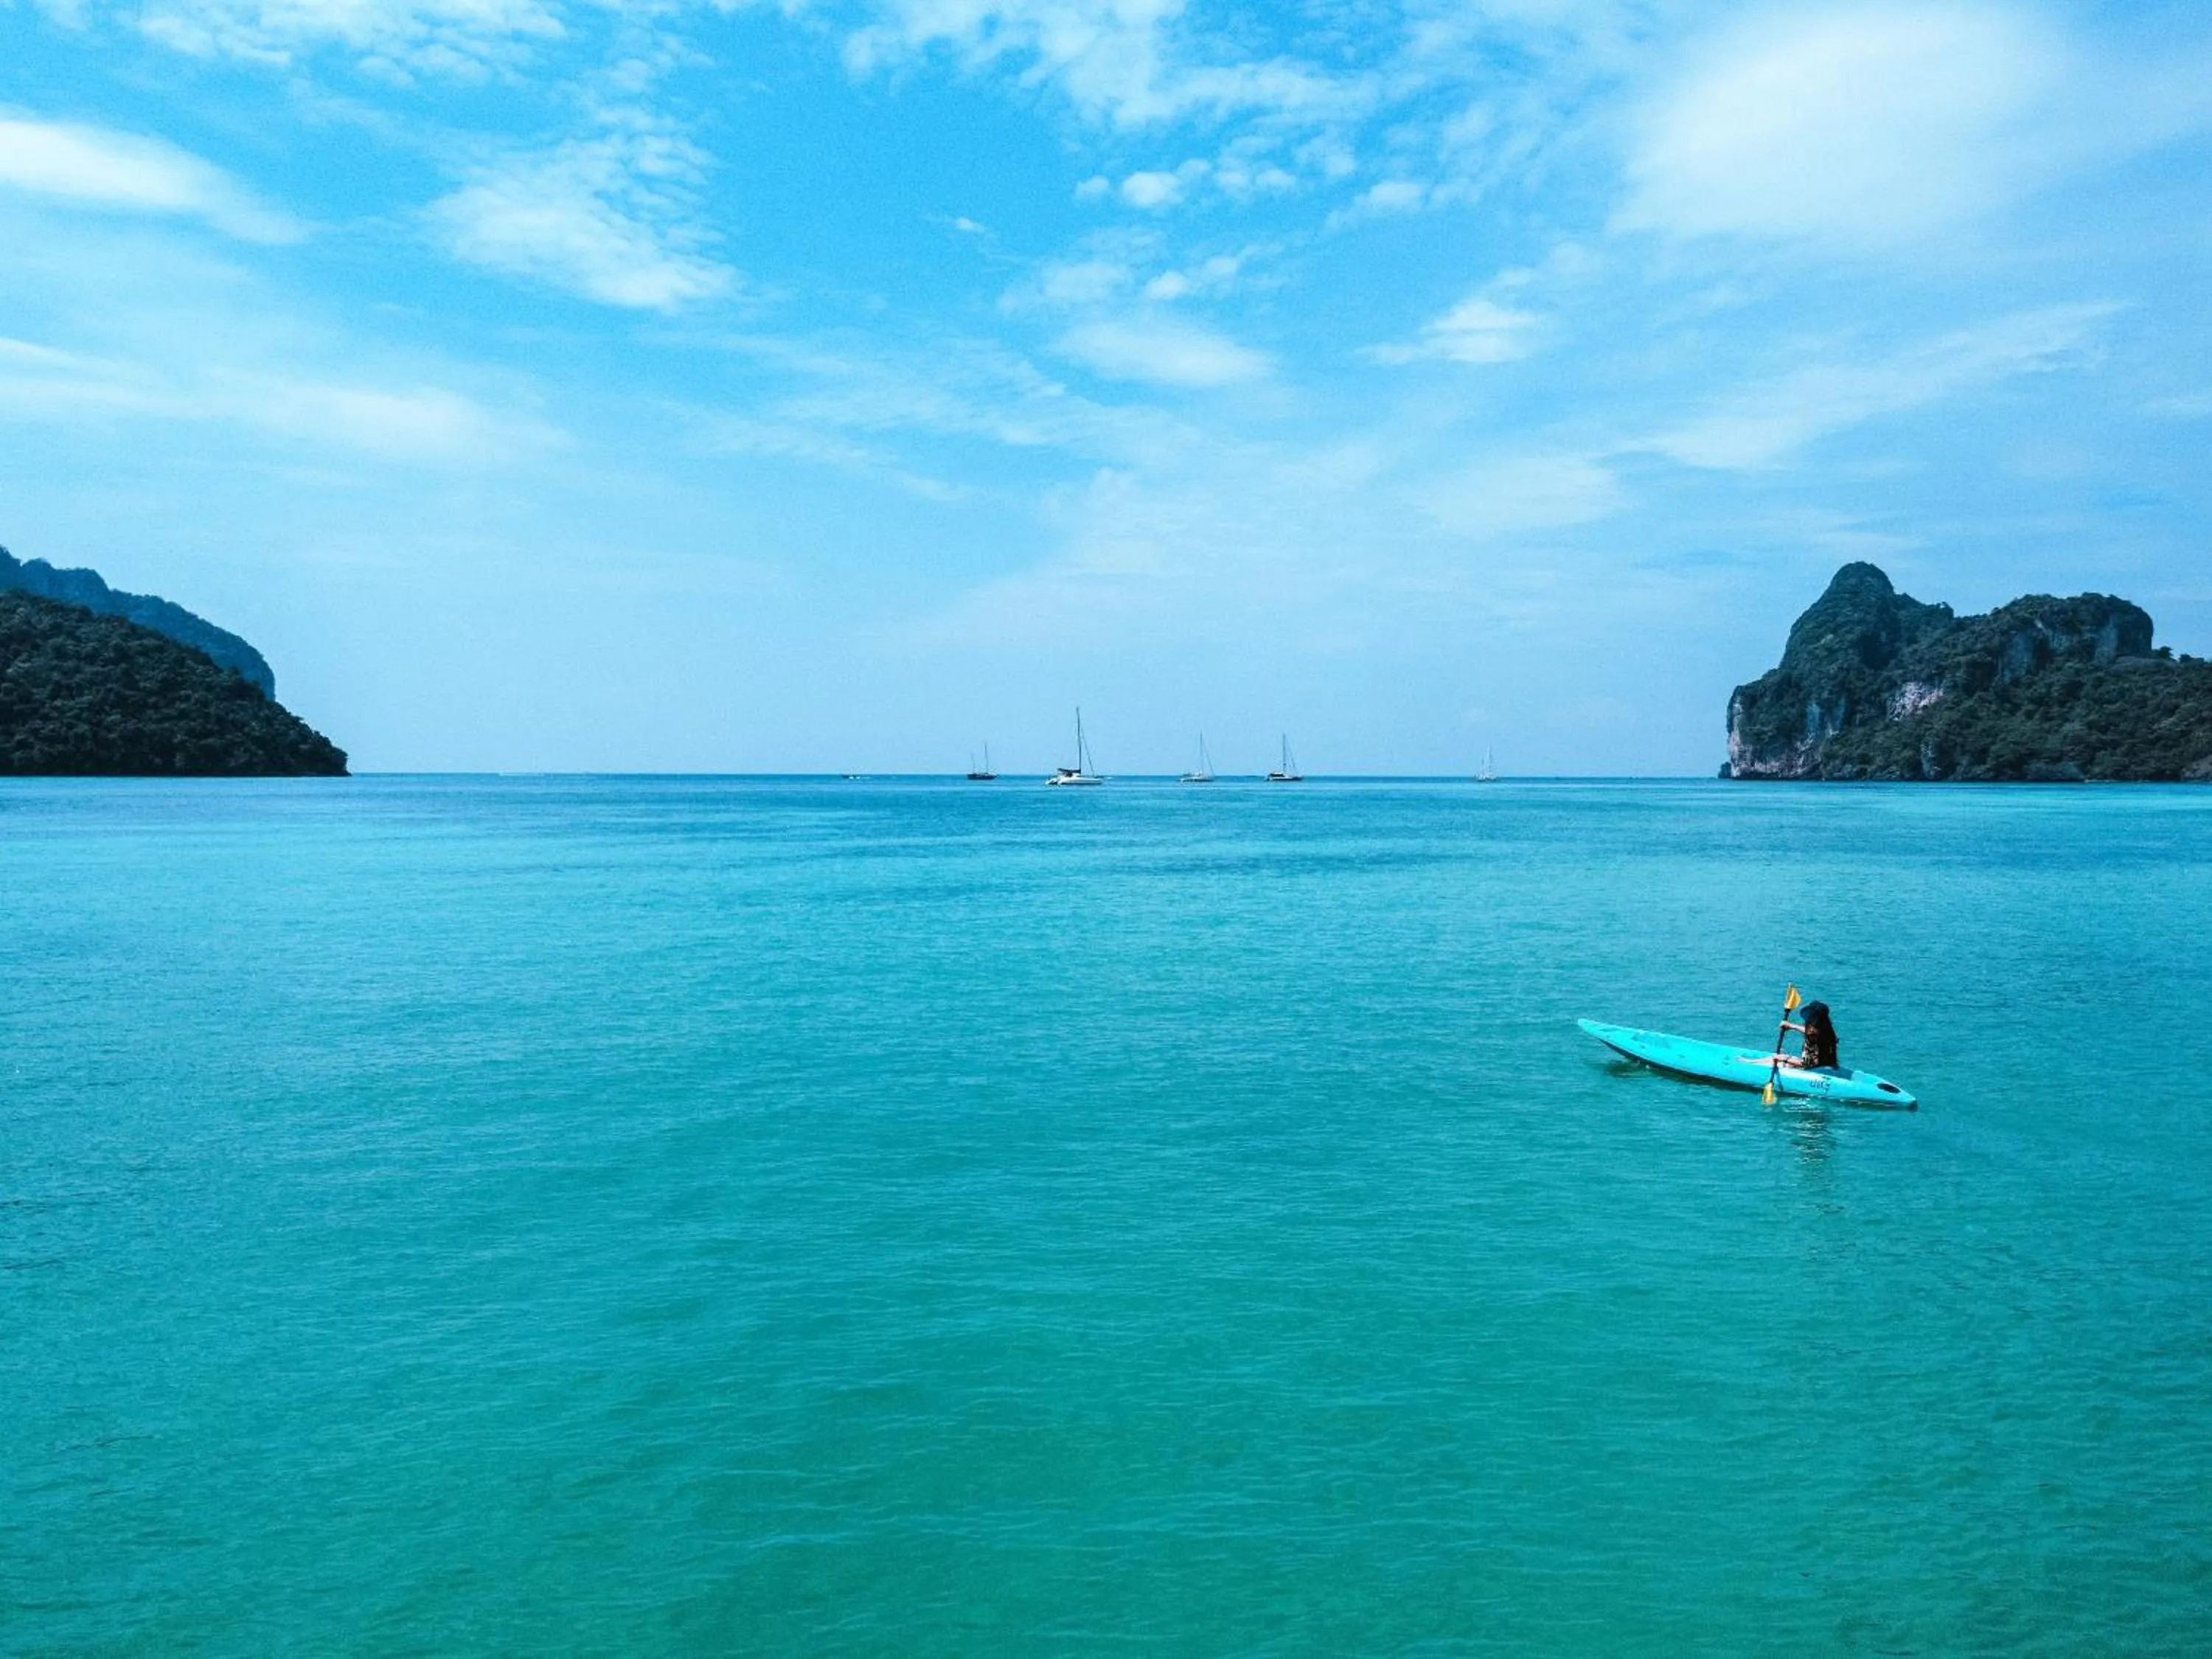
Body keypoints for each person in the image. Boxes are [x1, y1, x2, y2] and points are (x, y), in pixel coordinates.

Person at [1776, 1000, 1840, 1071]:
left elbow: (1809, 1063)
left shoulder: (1813, 1038)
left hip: (1813, 1069)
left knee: (1771, 1061)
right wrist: (1791, 1026)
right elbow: (1811, 1032)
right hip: (1827, 1065)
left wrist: (1785, 1059)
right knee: (1789, 1058)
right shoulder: (1828, 1031)